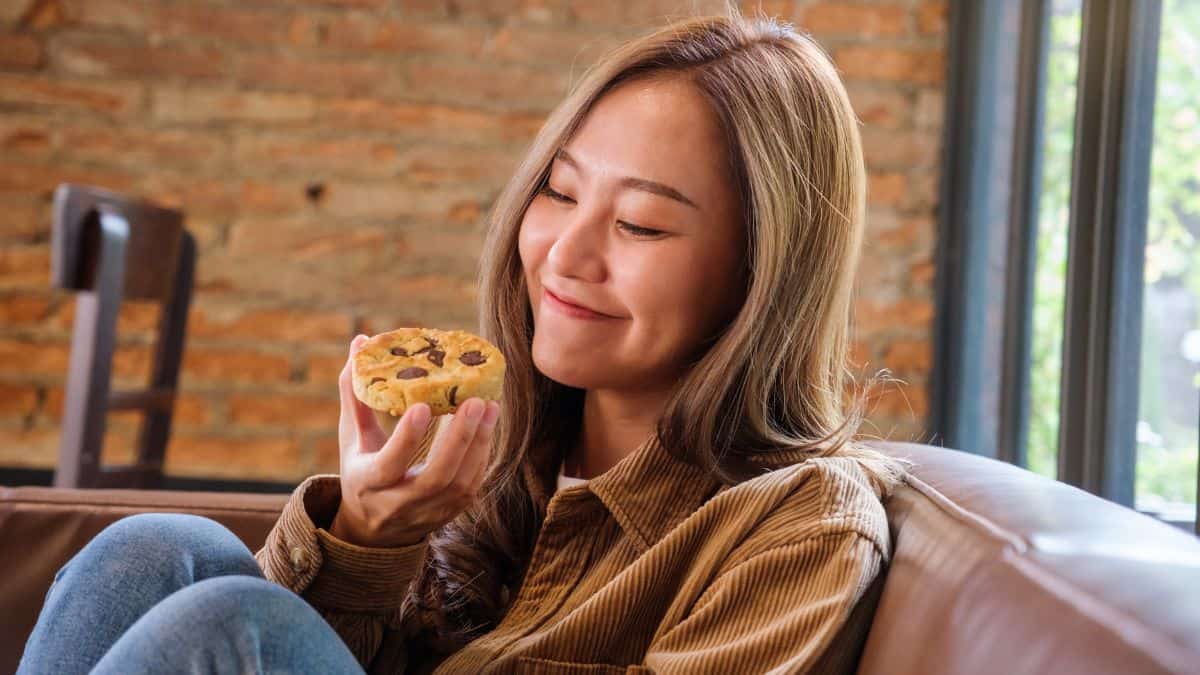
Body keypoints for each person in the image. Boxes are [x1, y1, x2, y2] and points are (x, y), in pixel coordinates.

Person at [18, 7, 909, 674]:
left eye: (640, 224)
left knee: (231, 629)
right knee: (152, 551)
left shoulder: (799, 528)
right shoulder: (506, 450)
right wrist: (367, 535)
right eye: (559, 193)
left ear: (763, 273)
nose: (563, 252)